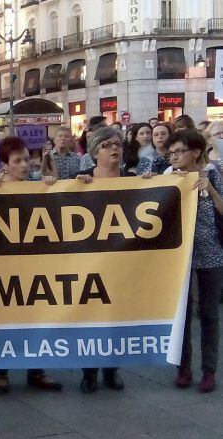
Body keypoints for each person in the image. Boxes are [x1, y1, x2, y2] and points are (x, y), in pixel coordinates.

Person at [0, 137, 62, 394]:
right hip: (4, 265)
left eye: (27, 159)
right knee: (3, 319)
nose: (24, 165)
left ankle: (36, 370)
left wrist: (51, 185)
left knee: (36, 317)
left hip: (34, 263)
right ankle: (1, 371)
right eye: (17, 160)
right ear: (4, 165)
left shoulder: (37, 187)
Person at [158, 130, 223, 393]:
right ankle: (183, 367)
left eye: (179, 151)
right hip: (179, 256)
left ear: (195, 152)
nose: (174, 157)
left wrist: (211, 191)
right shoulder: (168, 176)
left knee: (209, 313)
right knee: (181, 314)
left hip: (211, 253)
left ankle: (209, 370)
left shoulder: (213, 174)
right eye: (171, 153)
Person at [74, 127, 130, 392]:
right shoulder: (81, 179)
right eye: (107, 145)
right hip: (89, 259)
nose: (114, 149)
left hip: (121, 259)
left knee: (117, 315)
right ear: (95, 152)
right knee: (91, 315)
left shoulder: (133, 180)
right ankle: (89, 371)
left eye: (117, 144)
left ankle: (111, 369)